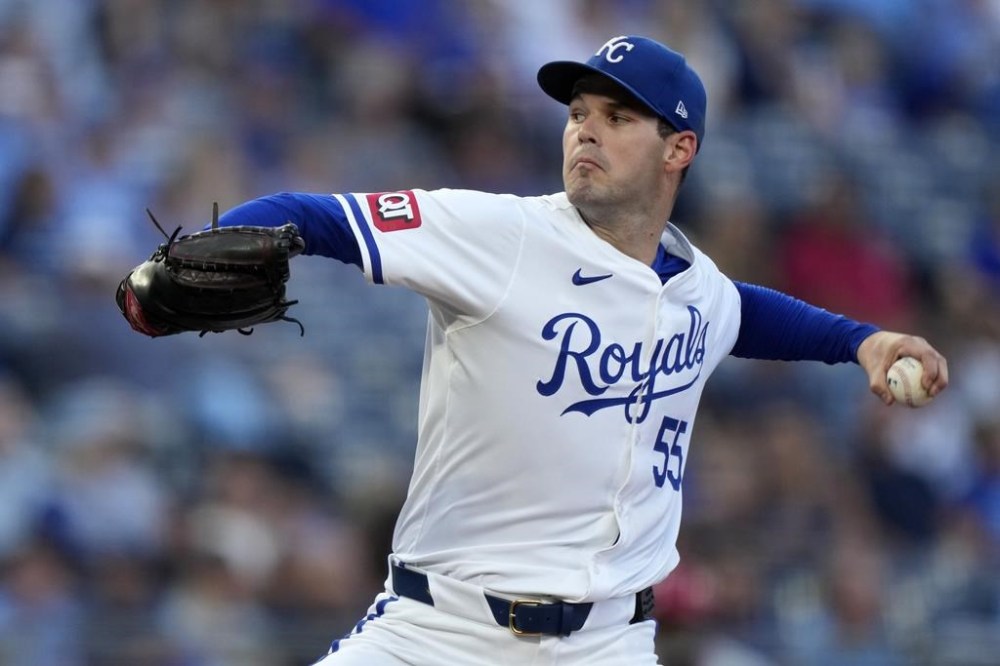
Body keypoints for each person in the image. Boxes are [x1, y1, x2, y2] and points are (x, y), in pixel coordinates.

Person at [203, 35, 948, 665]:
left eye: (617, 116)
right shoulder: (502, 235)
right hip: (440, 631)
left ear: (679, 148)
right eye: (578, 113)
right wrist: (201, 255)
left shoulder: (696, 286)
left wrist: (863, 341)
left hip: (609, 644)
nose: (585, 130)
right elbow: (313, 215)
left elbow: (743, 312)